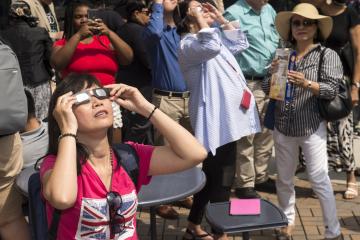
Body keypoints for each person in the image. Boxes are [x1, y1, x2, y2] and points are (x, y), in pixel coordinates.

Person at [40, 73, 207, 239]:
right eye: (83, 98)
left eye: (100, 93)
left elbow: (194, 154)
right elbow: (62, 199)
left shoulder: (129, 156)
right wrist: (67, 130)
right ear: (64, 113)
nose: (97, 102)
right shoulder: (56, 164)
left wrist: (145, 107)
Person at [177, 1, 260, 239]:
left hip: (229, 119)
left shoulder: (211, 37)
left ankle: (193, 225)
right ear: (187, 17)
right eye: (197, 7)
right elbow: (211, 45)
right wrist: (201, 20)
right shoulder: (188, 44)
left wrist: (221, 19)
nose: (204, 8)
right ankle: (220, 232)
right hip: (215, 120)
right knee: (222, 177)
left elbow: (240, 42)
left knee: (215, 176)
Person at [264, 3, 342, 239]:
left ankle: (333, 231)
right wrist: (274, 74)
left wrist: (306, 83)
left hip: (311, 127)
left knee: (319, 180)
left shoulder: (326, 55)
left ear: (316, 27)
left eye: (307, 22)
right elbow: (270, 90)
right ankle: (287, 222)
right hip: (283, 124)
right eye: (296, 23)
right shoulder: (283, 54)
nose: (301, 27)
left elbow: (331, 89)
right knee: (285, 179)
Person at [300, 0, 360, 200]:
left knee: (343, 129)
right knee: (317, 131)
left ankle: (351, 178)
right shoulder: (314, 11)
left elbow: (359, 51)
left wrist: (355, 86)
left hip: (340, 80)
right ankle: (320, 178)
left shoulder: (349, 13)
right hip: (312, 78)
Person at [142, 0, 193, 219]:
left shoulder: (179, 32)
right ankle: (162, 200)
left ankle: (183, 192)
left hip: (189, 99)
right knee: (163, 150)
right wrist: (158, 6)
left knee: (188, 149)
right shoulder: (155, 32)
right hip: (166, 99)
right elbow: (153, 33)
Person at [223, 0, 278, 198]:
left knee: (267, 131)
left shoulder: (269, 10)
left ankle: (260, 176)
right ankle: (244, 183)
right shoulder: (233, 13)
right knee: (246, 133)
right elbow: (226, 51)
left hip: (272, 80)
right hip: (246, 83)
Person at [51, 0, 133, 86]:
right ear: (70, 20)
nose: (84, 20)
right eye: (78, 17)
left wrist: (109, 33)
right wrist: (78, 36)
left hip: (108, 94)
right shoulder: (63, 43)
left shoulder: (104, 41)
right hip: (78, 95)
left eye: (87, 16)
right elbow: (57, 64)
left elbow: (127, 59)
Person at [1, 0, 53, 121]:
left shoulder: (3, 35)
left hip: (14, 86)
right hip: (40, 84)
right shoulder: (40, 32)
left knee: (19, 122)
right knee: (42, 120)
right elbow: (50, 60)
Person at [117, 0, 154, 144]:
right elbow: (147, 59)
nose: (149, 16)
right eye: (146, 13)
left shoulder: (122, 29)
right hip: (141, 84)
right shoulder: (138, 31)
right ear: (136, 13)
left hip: (126, 80)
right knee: (140, 124)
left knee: (132, 122)